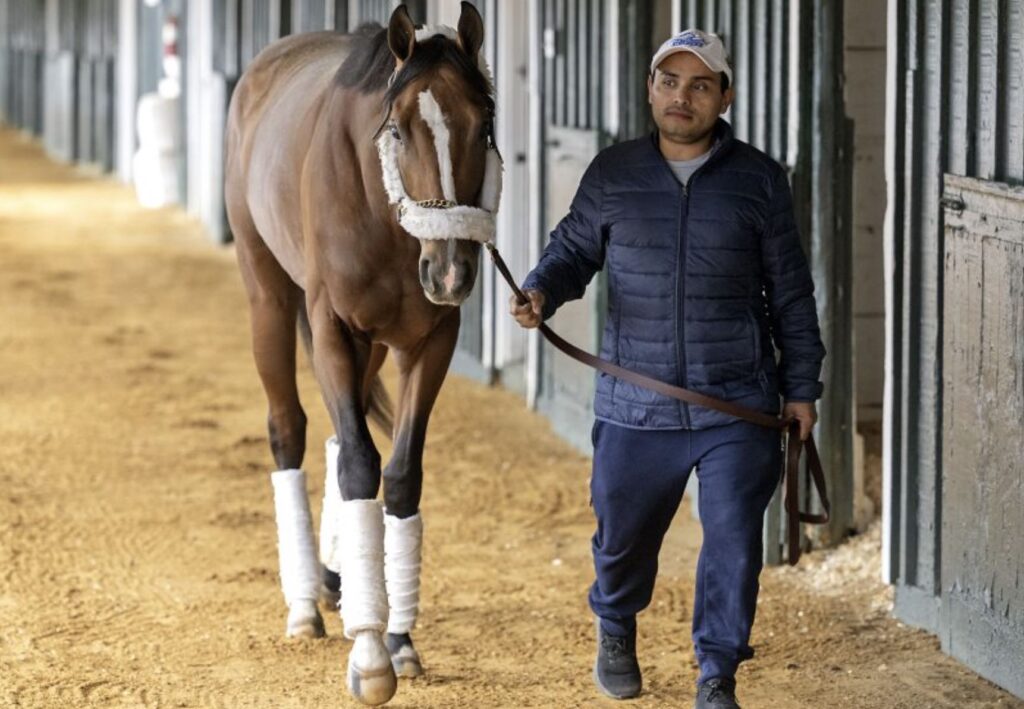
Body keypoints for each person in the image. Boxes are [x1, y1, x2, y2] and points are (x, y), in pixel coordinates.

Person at [511, 29, 826, 709]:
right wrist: (540, 289)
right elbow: (572, 251)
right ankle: (617, 620)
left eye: (700, 85)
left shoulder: (760, 181)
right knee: (621, 537)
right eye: (669, 81)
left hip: (736, 402)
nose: (681, 97)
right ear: (651, 88)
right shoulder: (614, 173)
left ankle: (717, 673)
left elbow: (792, 293)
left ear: (725, 97)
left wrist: (802, 387)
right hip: (636, 401)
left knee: (735, 540)